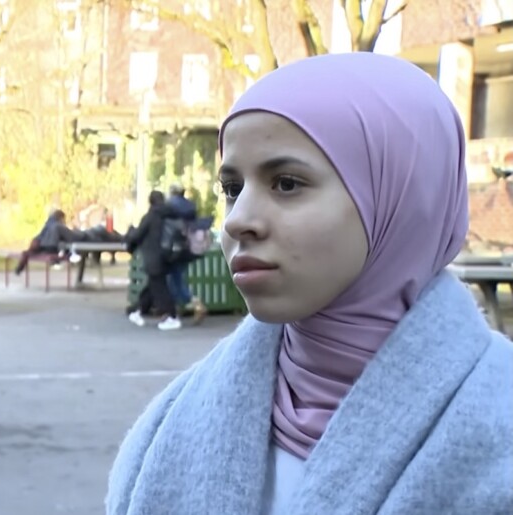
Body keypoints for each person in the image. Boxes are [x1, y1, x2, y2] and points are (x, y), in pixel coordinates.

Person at [105, 53, 511, 514]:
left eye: (286, 184)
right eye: (232, 190)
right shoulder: (170, 424)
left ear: (402, 198)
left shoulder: (499, 424)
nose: (237, 221)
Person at [124, 191, 180, 331]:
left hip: (153, 256)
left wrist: (129, 233)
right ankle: (138, 310)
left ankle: (171, 316)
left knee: (160, 288)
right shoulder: (171, 214)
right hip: (168, 255)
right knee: (153, 286)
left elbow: (138, 235)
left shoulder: (151, 216)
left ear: (150, 201)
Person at [164, 184, 207, 323]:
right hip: (187, 247)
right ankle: (177, 309)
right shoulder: (190, 206)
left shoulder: (170, 205)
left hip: (174, 246)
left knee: (175, 279)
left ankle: (194, 303)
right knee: (176, 277)